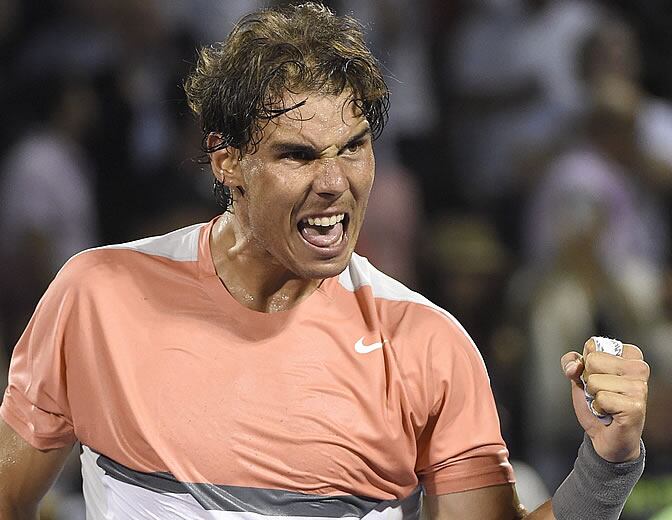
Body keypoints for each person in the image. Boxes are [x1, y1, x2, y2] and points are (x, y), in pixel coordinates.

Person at [0, 3, 649, 519]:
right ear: (227, 161)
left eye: (354, 147)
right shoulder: (97, 296)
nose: (336, 183)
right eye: (298, 155)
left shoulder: (428, 345)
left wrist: (606, 466)